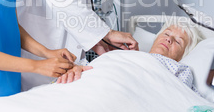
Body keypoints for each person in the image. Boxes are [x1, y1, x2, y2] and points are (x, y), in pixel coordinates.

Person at [57, 18, 205, 94]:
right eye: (166, 34)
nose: (169, 39)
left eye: (178, 42)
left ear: (183, 55)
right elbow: (96, 66)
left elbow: (183, 97)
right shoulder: (124, 55)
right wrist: (76, 68)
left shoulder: (179, 69)